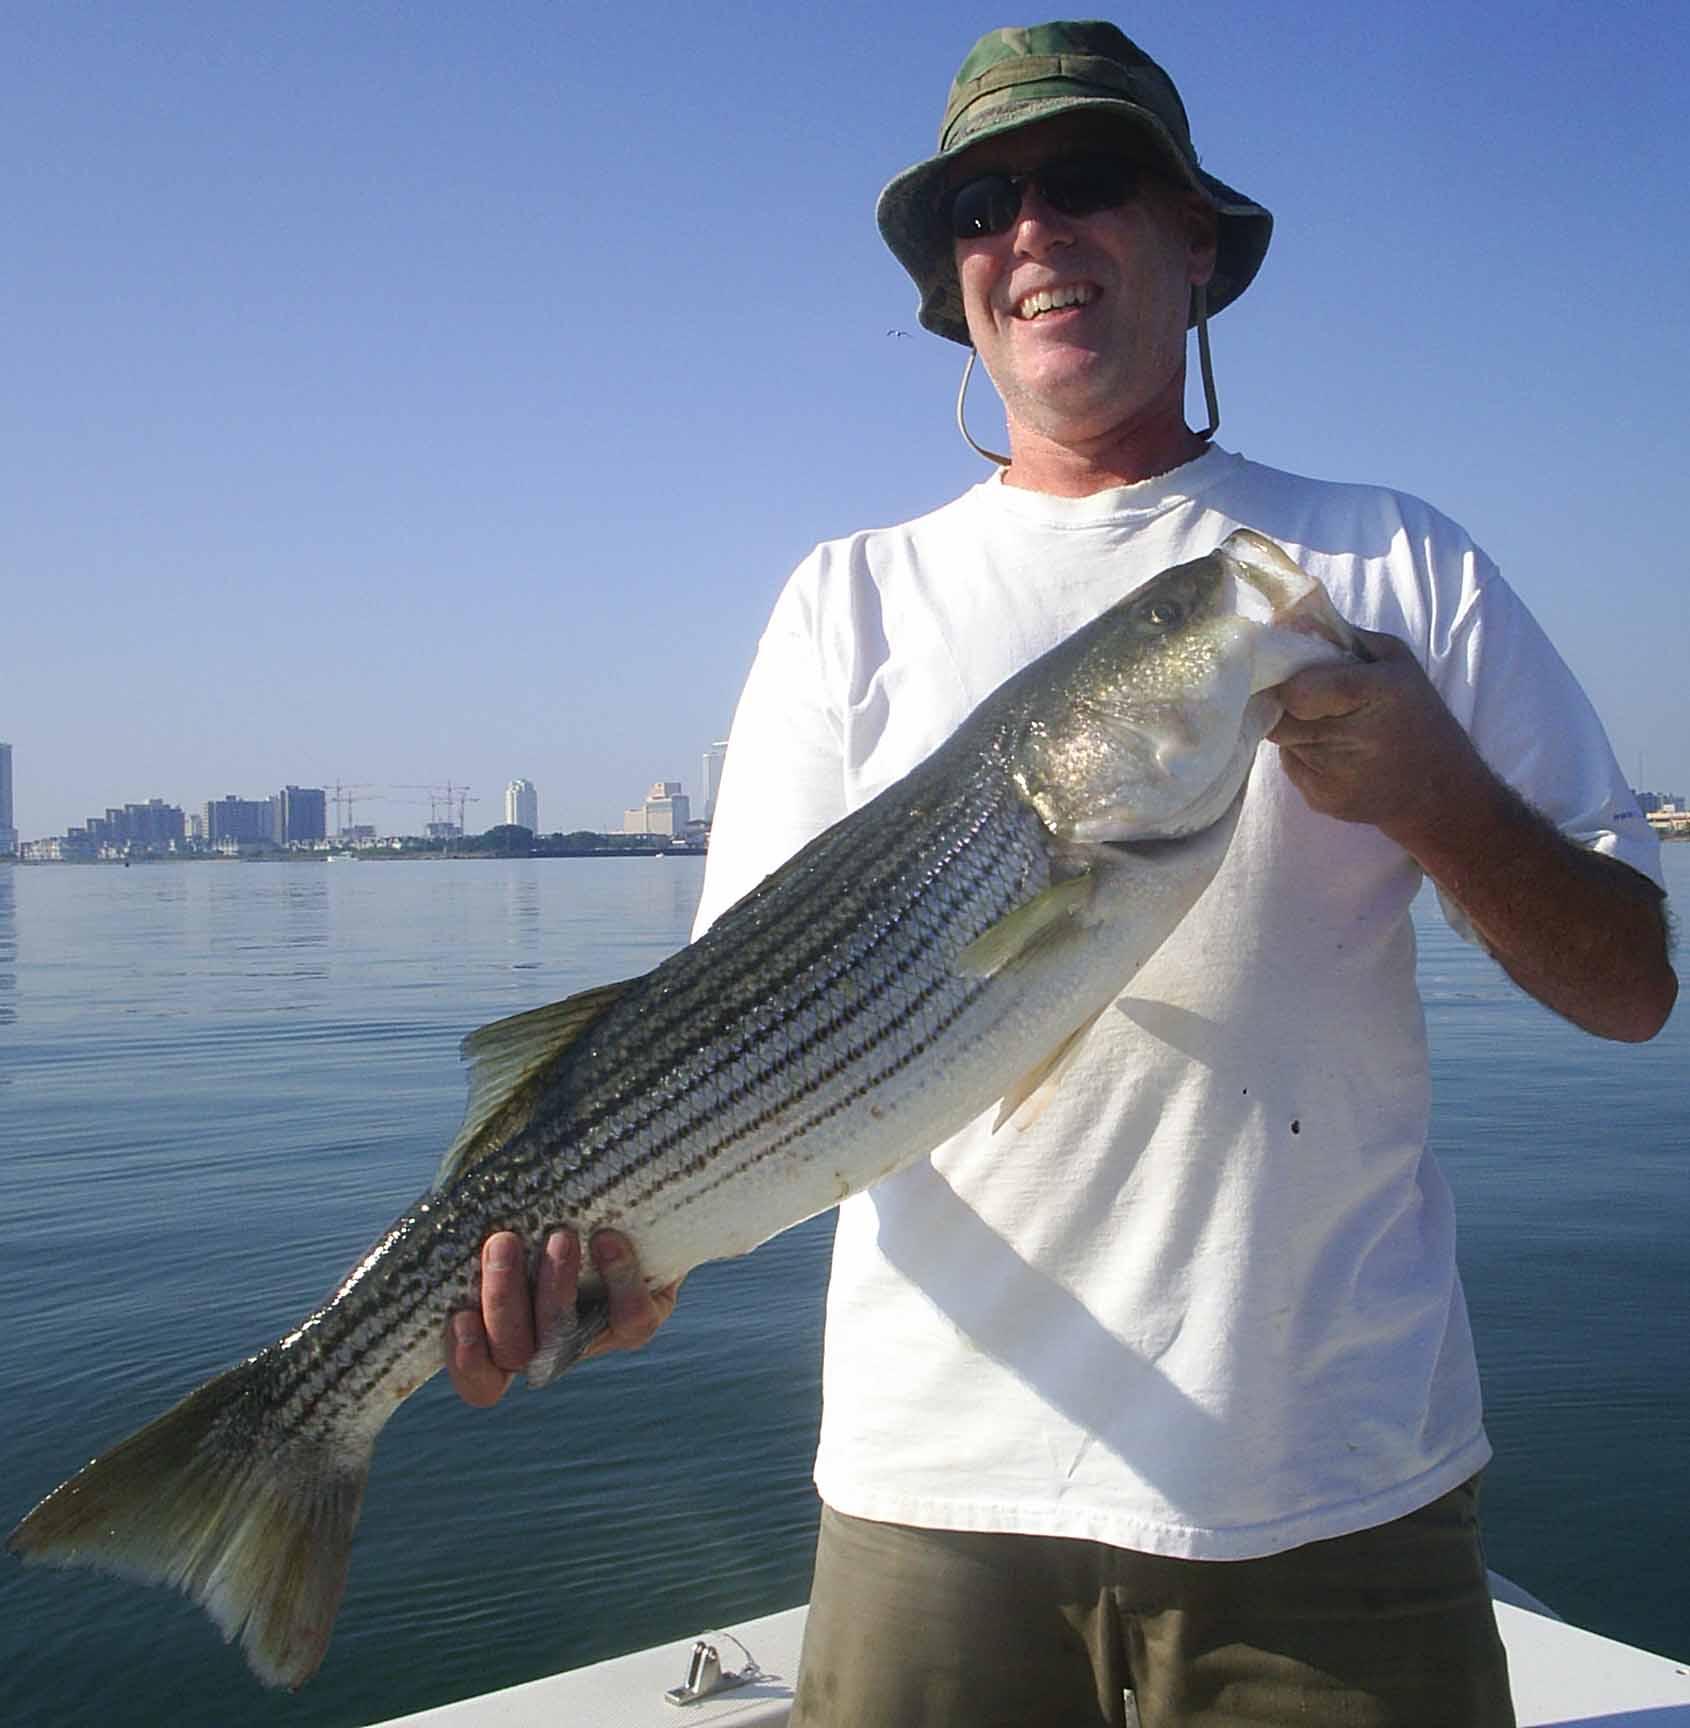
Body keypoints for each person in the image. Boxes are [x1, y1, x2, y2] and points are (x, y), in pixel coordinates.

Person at [447, 21, 1676, 1725]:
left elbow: (1631, 988)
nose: (1031, 231)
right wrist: (623, 1270)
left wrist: (1439, 796)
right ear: (956, 287)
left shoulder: (1389, 560)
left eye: (1086, 180)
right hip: (930, 1503)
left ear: (1194, 242)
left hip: (1329, 1494)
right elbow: (727, 1048)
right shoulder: (846, 602)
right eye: (980, 204)